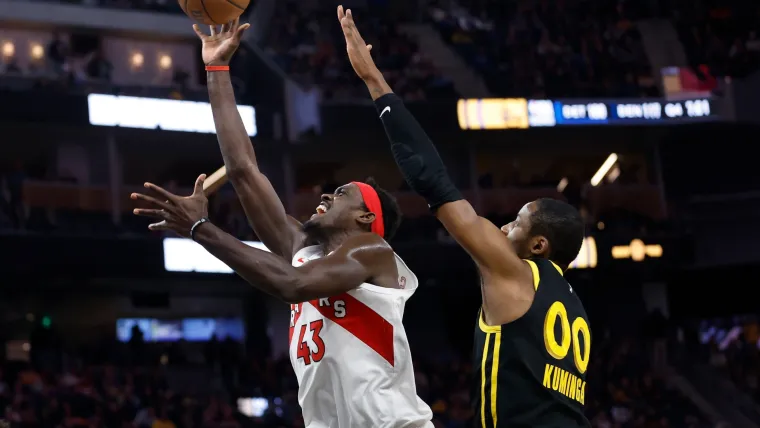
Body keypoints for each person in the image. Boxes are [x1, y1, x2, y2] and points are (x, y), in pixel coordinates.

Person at [131, 19, 433, 428]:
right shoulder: (303, 248)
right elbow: (243, 171)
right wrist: (217, 70)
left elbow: (292, 285)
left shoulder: (373, 252)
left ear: (366, 217)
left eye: (341, 193)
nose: (326, 195)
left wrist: (201, 229)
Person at [336, 6, 591, 427]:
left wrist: (373, 79)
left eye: (516, 223)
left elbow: (432, 180)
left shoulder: (516, 271)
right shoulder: (573, 309)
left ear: (538, 245)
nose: (504, 227)